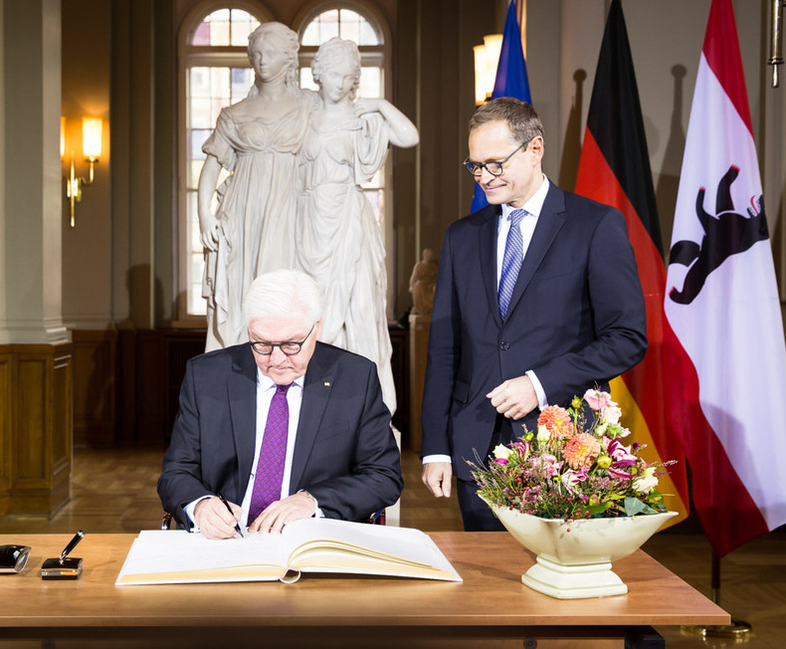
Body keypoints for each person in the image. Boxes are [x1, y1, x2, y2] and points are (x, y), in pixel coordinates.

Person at [420, 97, 647, 531]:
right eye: (475, 166)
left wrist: (538, 383)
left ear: (535, 149)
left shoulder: (595, 225)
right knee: (489, 591)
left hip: (562, 448)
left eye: (494, 164)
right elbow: (444, 349)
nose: (484, 177)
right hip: (476, 449)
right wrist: (435, 447)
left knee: (557, 591)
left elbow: (626, 338)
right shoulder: (462, 237)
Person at [158, 269, 403, 540]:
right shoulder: (207, 376)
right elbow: (176, 472)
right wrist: (201, 505)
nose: (276, 359)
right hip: (228, 542)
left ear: (316, 329)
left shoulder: (355, 378)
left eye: (290, 344)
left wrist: (312, 501)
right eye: (261, 343)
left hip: (315, 539)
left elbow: (384, 476)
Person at [296, 37, 419, 414]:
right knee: (311, 310)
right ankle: (313, 399)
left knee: (361, 307)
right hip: (309, 221)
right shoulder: (303, 112)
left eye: (347, 76)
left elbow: (409, 136)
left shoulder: (362, 116)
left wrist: (381, 105)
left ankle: (369, 405)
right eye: (333, 74)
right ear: (318, 74)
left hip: (348, 219)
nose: (339, 82)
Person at [197, 22, 317, 352]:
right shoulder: (234, 114)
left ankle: (285, 364)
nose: (262, 61)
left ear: (288, 58)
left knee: (284, 294)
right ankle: (241, 372)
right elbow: (210, 169)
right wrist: (204, 215)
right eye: (257, 54)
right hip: (242, 211)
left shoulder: (309, 105)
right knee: (241, 293)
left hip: (290, 208)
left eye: (271, 53)